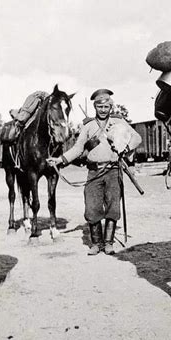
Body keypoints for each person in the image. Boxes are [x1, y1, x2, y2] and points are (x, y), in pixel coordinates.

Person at [47, 89, 141, 255]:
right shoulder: (88, 126)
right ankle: (96, 244)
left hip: (113, 170)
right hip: (93, 172)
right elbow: (77, 148)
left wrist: (125, 148)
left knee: (113, 208)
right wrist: (60, 159)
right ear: (95, 107)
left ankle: (109, 243)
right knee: (92, 208)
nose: (103, 110)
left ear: (110, 106)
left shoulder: (119, 122)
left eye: (106, 106)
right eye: (100, 107)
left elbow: (137, 138)